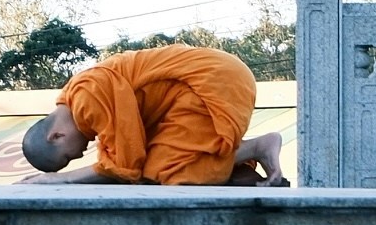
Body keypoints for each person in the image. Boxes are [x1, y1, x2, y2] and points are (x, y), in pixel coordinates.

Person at [21, 42, 288, 186]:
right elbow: (120, 151)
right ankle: (237, 171)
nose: (79, 155)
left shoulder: (85, 98)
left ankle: (258, 146)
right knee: (157, 169)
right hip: (210, 80)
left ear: (56, 135)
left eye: (69, 155)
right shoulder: (75, 98)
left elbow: (127, 165)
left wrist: (63, 178)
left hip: (211, 81)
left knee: (164, 171)